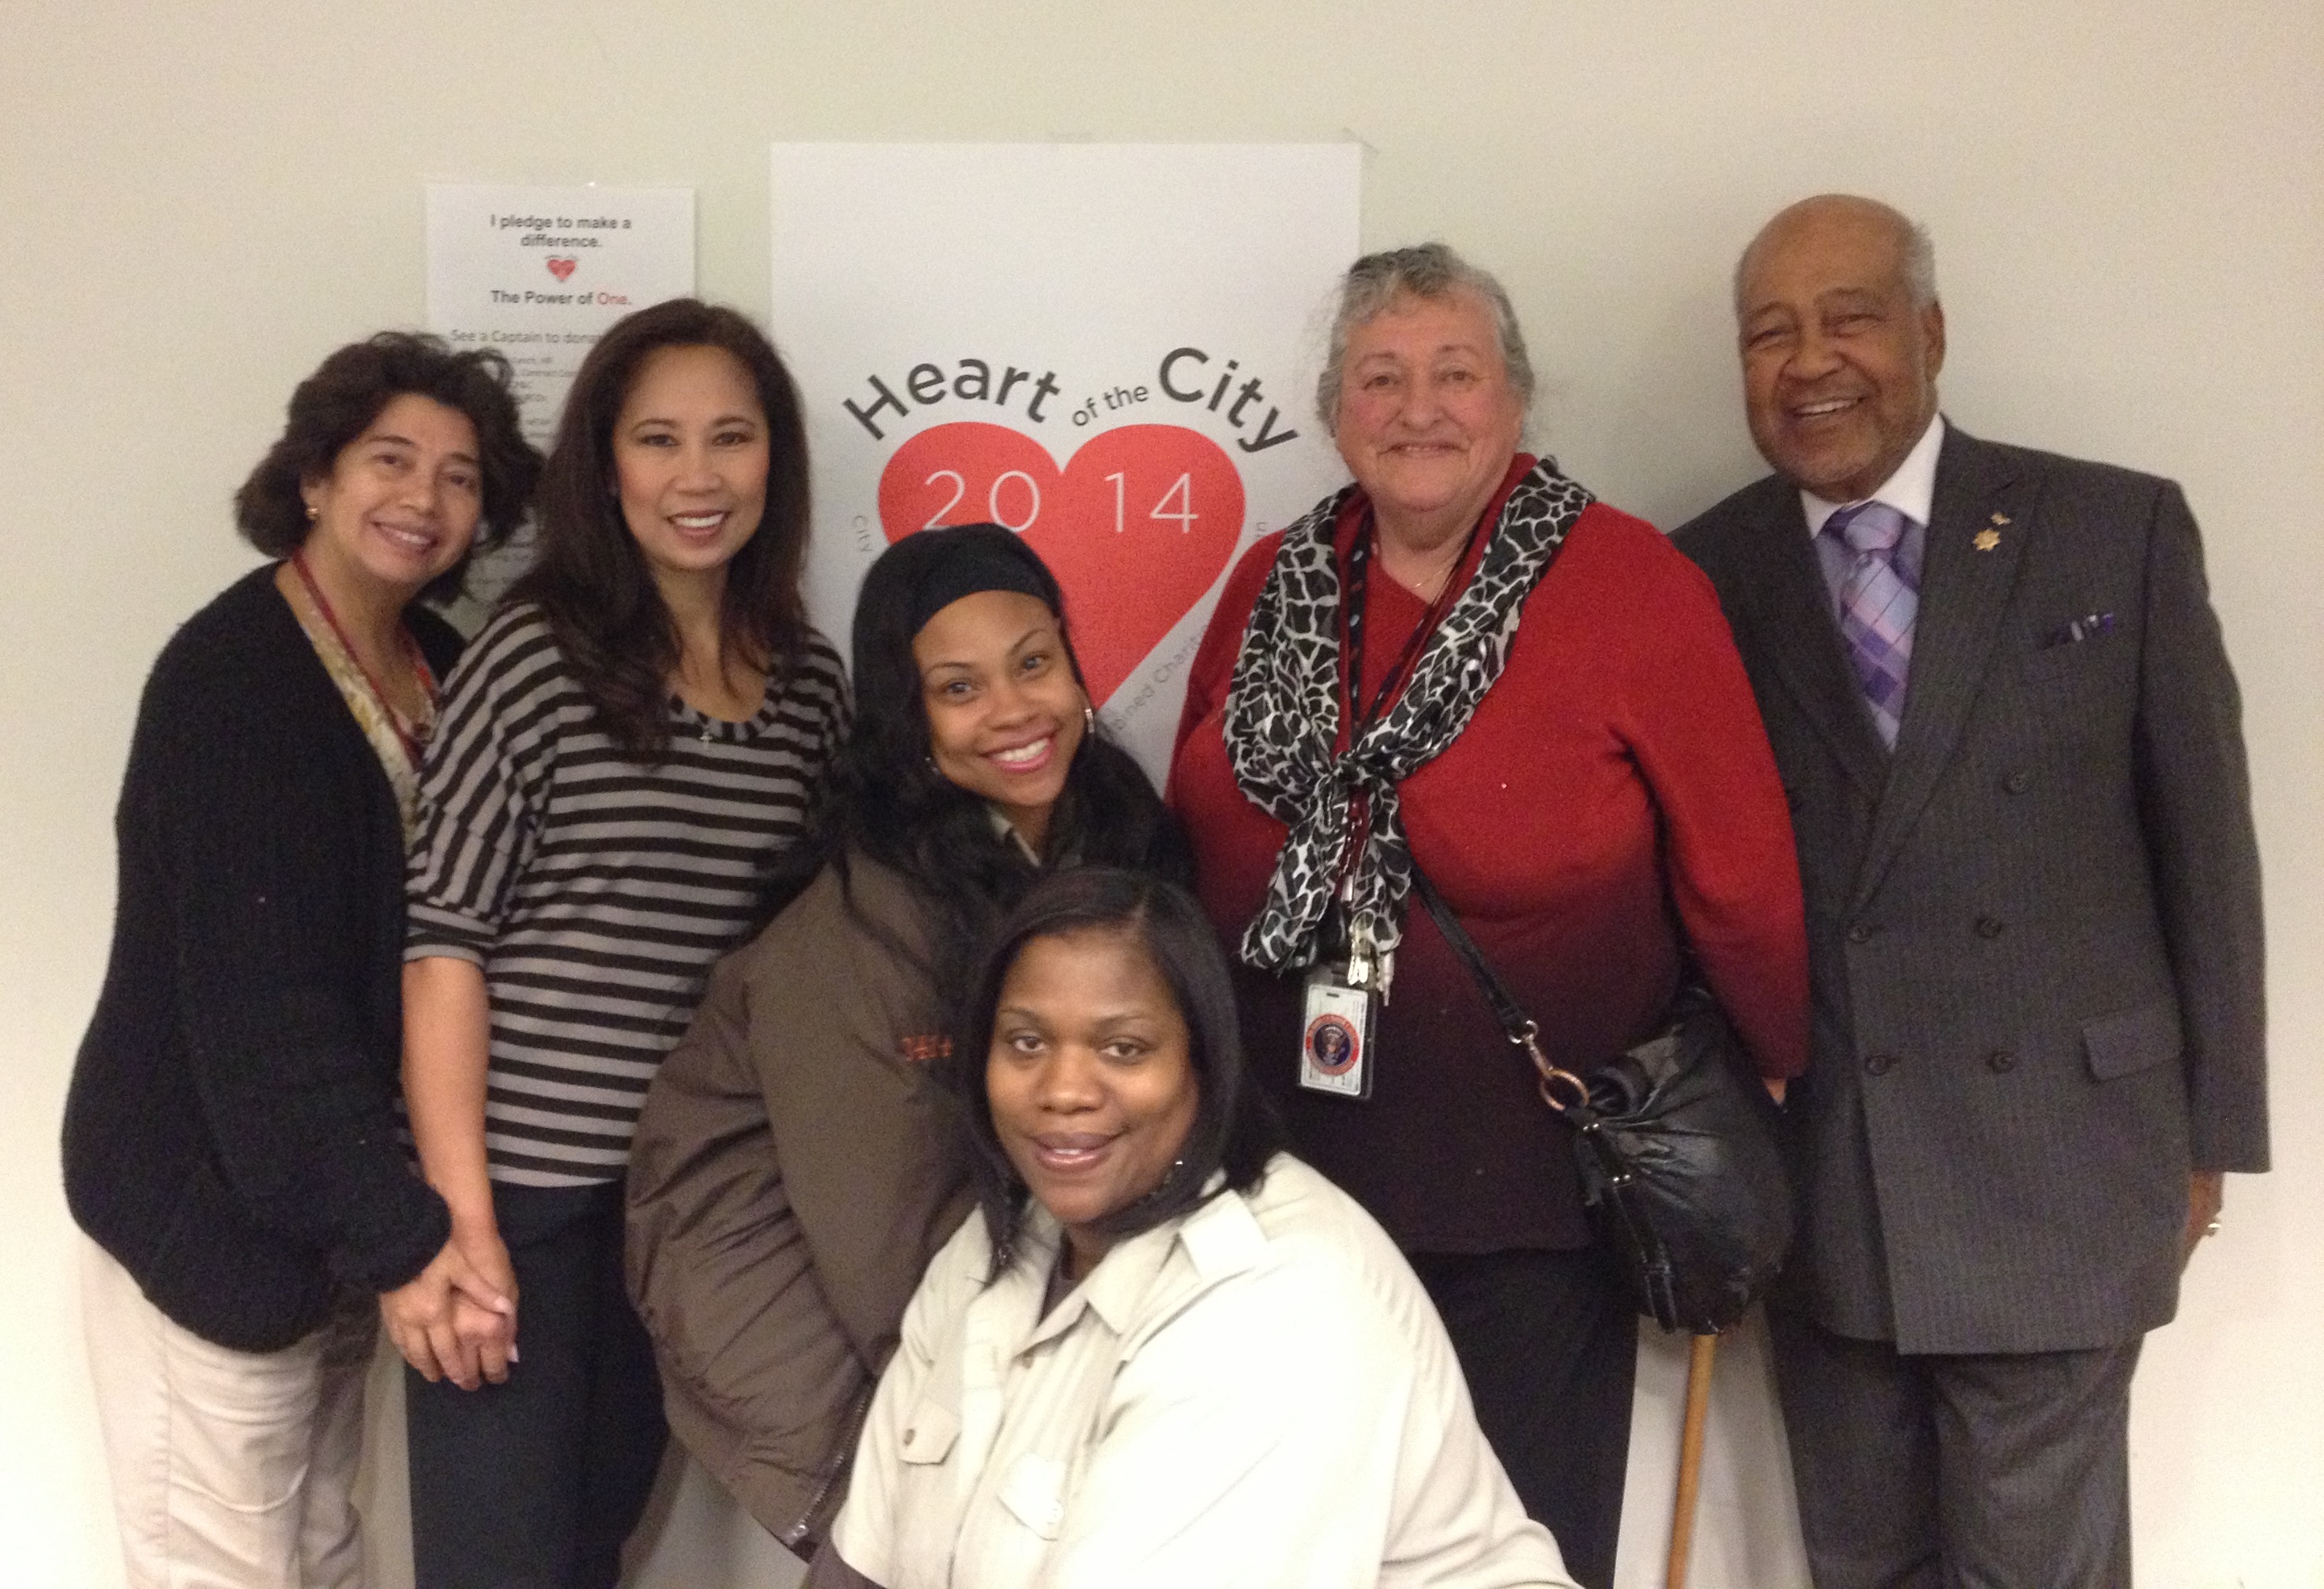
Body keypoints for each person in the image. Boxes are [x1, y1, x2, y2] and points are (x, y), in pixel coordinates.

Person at [1167, 243, 1810, 1587]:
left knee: (1505, 1550)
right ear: (1334, 409)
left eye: (1453, 373)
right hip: (1289, 1186)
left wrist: (1771, 1071)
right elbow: (1186, 845)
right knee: (1299, 1544)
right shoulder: (1264, 584)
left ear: (1513, 403)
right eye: (1380, 377)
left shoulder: (1629, 586)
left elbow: (1740, 875)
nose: (1417, 409)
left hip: (1526, 1195)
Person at [1672, 194, 2269, 1587]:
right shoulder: (1701, 572)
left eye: (1850, 318)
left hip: (2060, 1159)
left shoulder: (2109, 528)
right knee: (1859, 1565)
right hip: (1828, 1179)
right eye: (1768, 334)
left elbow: (2207, 850)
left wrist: (2211, 1135)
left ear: (1930, 335)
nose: (1809, 360)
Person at [62, 332, 537, 1588]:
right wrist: (406, 1240)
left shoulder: (435, 660)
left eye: (458, 475)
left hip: (330, 1204)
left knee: (319, 1542)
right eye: (390, 459)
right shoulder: (237, 679)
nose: (423, 501)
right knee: (224, 1564)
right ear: (314, 476)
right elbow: (267, 1014)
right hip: (210, 1202)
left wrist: (397, 1223)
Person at [393, 298, 849, 1589]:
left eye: (730, 438)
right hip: (521, 1208)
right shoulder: (534, 660)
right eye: (657, 440)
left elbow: (806, 960)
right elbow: (444, 947)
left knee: (591, 1554)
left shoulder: (808, 686)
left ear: (777, 458)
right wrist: (457, 1223)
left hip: (684, 1212)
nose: (696, 478)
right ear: (606, 466)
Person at [625, 522, 1188, 1565]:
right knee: (928, 1529)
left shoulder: (1103, 832)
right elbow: (889, 1248)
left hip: (942, 1273)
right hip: (789, 1301)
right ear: (910, 718)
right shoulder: (859, 925)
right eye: (959, 687)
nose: (1015, 709)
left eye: (1033, 662)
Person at [821, 868, 1579, 1589]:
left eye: (1124, 1048)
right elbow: (863, 1562)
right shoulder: (1001, 1242)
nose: (1062, 1089)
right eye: (1026, 1041)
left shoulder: (1279, 1302)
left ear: (1204, 1066)